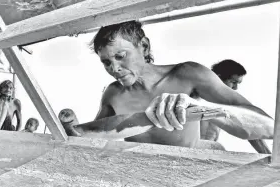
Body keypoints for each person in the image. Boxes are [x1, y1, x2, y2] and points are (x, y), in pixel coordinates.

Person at [60, 21, 273, 150]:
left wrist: (201, 110)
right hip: (138, 177)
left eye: (120, 56)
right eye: (106, 62)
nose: (114, 68)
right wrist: (70, 130)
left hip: (187, 173)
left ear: (143, 46)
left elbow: (267, 126)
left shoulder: (188, 74)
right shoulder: (113, 93)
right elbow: (90, 142)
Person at [201, 60, 271, 153]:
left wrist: (270, 157)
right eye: (233, 82)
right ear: (218, 78)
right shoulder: (194, 96)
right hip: (185, 149)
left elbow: (250, 130)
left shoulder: (227, 104)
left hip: (205, 153)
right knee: (218, 148)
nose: (235, 88)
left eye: (238, 83)